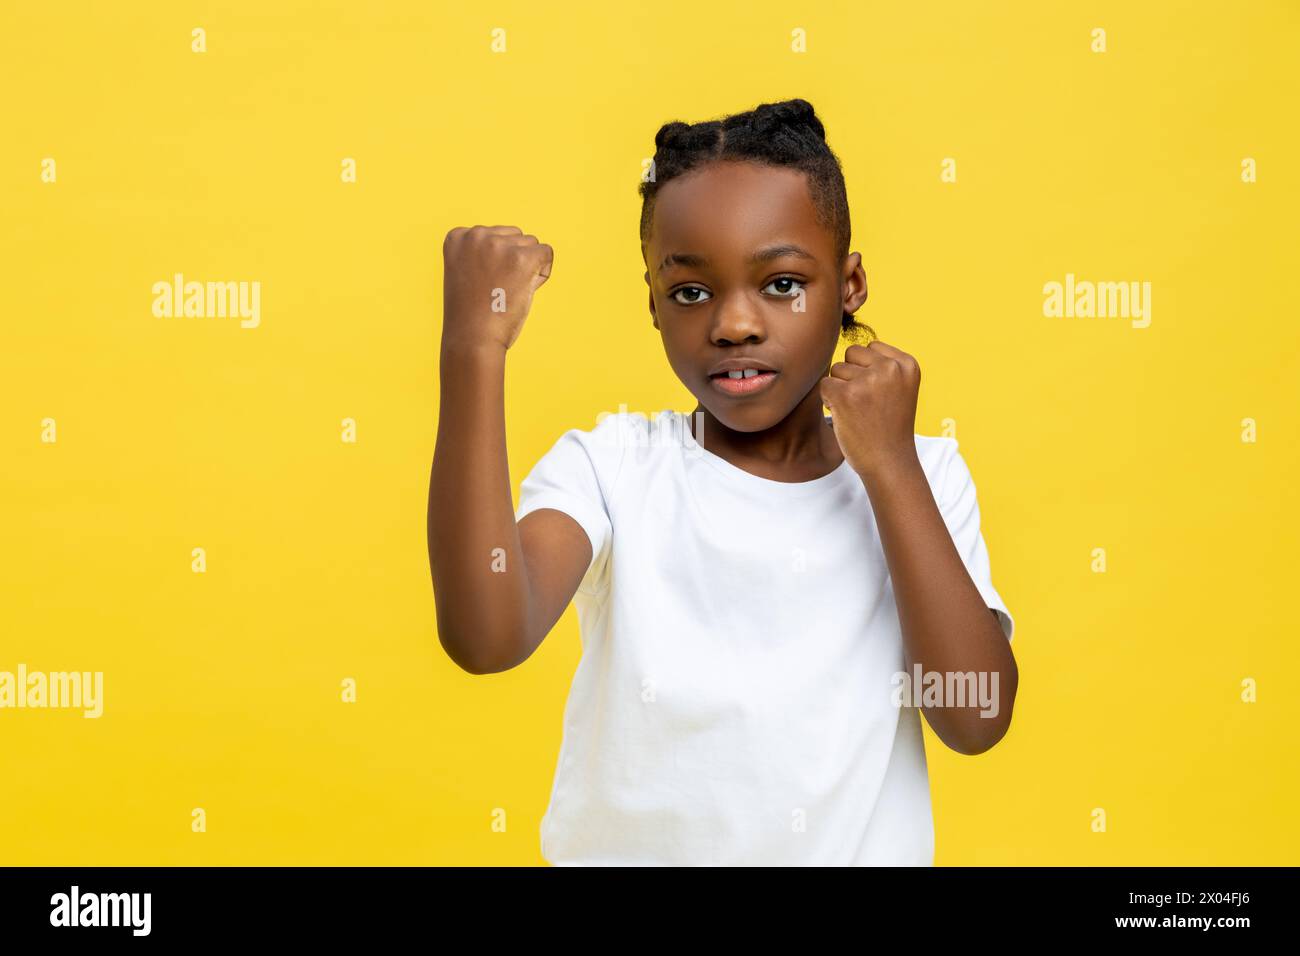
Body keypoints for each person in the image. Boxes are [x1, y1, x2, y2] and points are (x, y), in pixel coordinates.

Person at [428, 97, 1017, 866]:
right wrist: (474, 345)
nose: (734, 323)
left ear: (850, 285)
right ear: (653, 305)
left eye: (780, 283)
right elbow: (486, 637)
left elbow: (973, 718)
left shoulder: (924, 472)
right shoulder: (612, 469)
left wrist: (892, 468)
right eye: (691, 292)